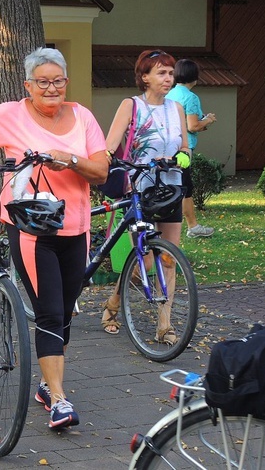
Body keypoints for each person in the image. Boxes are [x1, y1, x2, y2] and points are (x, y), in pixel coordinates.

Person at [0, 47, 108, 430]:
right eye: (42, 82)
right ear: (28, 86)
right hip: (29, 228)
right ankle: (60, 401)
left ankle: (48, 385)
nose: (51, 88)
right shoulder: (7, 115)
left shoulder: (83, 117)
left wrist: (71, 160)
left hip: (75, 228)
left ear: (66, 82)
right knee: (48, 310)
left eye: (57, 80)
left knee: (63, 312)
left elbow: (101, 169)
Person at [101, 50, 190, 338]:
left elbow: (185, 146)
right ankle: (114, 301)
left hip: (171, 187)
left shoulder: (176, 108)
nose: (168, 78)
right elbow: (109, 145)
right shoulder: (132, 106)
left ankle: (164, 326)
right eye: (162, 73)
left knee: (169, 258)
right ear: (145, 77)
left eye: (171, 72)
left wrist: (184, 157)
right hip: (140, 189)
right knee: (146, 260)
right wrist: (102, 163)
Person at [165, 59, 216, 238]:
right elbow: (192, 126)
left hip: (167, 147)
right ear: (195, 77)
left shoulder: (169, 94)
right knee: (186, 188)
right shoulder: (190, 97)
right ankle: (192, 226)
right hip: (183, 150)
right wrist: (208, 120)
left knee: (173, 187)